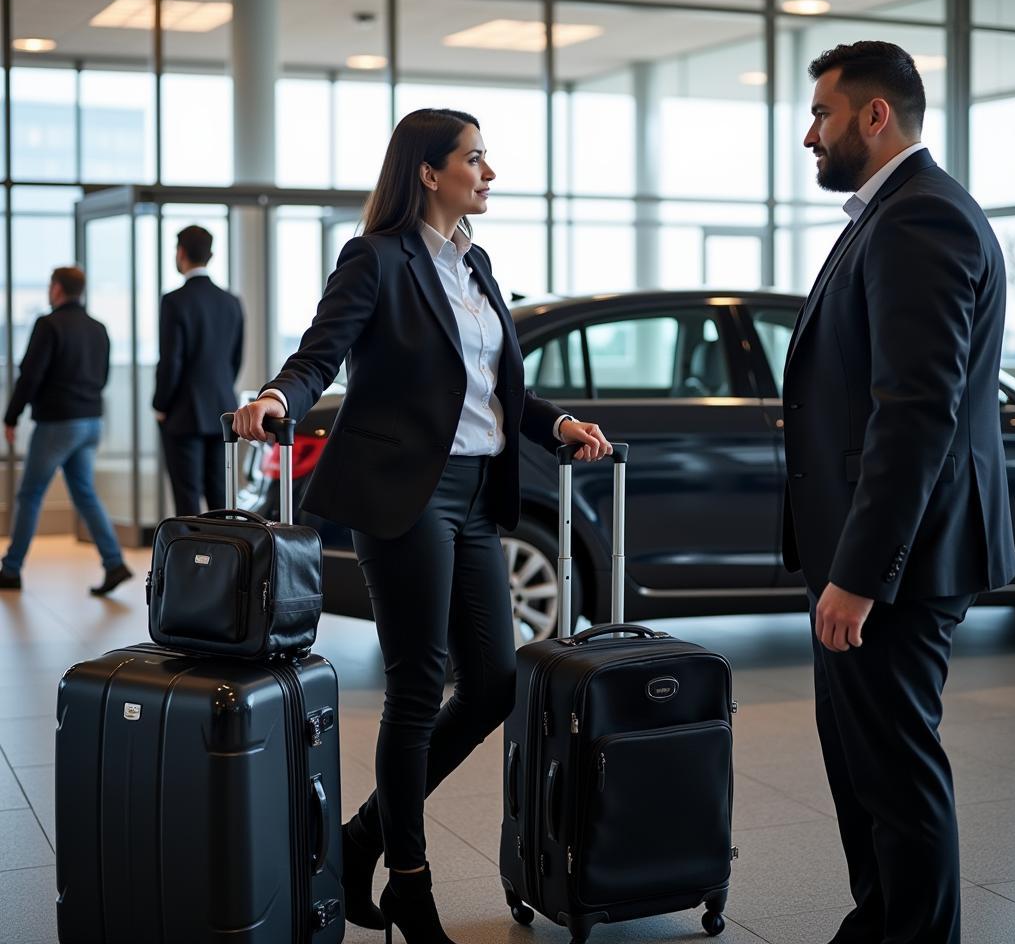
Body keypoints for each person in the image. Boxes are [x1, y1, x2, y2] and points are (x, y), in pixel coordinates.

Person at [233, 108, 611, 944]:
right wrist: (274, 399)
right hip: (407, 492)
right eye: (475, 158)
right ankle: (409, 876)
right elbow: (318, 355)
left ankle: (362, 836)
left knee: (494, 682)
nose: (490, 171)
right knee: (416, 685)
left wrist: (556, 425)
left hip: (480, 495)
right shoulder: (375, 259)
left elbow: (490, 388)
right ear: (429, 172)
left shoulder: (477, 263)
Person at [782, 40, 1015, 944]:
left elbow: (915, 412)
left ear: (875, 116)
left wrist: (863, 573)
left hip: (899, 562)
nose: (811, 135)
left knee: (894, 768)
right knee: (861, 763)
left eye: (823, 115)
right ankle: (881, 922)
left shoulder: (923, 219)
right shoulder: (888, 215)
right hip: (872, 552)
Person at [0, 267, 132, 595]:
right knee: (85, 493)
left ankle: (11, 570)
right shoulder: (98, 328)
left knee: (30, 494)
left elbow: (30, 375)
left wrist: (11, 416)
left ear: (57, 289)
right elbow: (102, 377)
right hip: (90, 422)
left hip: (58, 423)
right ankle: (114, 563)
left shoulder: (48, 325)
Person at [154, 225, 244, 516]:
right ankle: (225, 560)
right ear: (212, 255)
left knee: (187, 498)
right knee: (221, 496)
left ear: (180, 253)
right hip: (222, 410)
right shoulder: (231, 302)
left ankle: (192, 562)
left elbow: (171, 361)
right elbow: (235, 359)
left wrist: (160, 405)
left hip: (183, 413)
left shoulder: (174, 301)